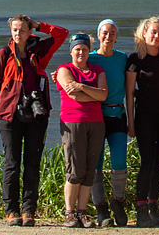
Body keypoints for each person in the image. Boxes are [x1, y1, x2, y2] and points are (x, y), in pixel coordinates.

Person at [0, 13, 70, 227]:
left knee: (33, 163)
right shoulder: (3, 54)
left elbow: (62, 34)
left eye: (22, 30)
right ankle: (11, 210)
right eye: (14, 30)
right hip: (9, 116)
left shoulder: (38, 52)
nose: (17, 33)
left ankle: (29, 211)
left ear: (29, 32)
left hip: (36, 115)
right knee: (12, 162)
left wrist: (39, 24)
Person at [128, 15, 159, 228]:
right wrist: (131, 122)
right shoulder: (135, 60)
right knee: (147, 162)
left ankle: (153, 207)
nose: (157, 36)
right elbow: (129, 93)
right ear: (144, 33)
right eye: (154, 32)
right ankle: (141, 210)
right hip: (145, 118)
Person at [58, 32, 110, 228]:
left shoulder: (97, 69)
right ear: (71, 51)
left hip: (96, 122)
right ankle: (69, 212)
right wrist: (92, 93)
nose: (81, 52)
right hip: (73, 122)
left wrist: (82, 87)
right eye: (77, 49)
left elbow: (104, 95)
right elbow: (74, 97)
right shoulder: (64, 69)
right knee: (75, 168)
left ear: (89, 51)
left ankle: (82, 212)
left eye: (85, 49)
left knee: (89, 169)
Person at [90, 19, 132, 227]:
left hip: (117, 114)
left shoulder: (122, 58)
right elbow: (71, 71)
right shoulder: (88, 58)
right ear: (98, 35)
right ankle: (101, 209)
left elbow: (132, 86)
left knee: (119, 162)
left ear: (117, 36)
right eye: (105, 33)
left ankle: (118, 202)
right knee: (95, 164)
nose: (108, 36)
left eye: (113, 33)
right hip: (95, 116)